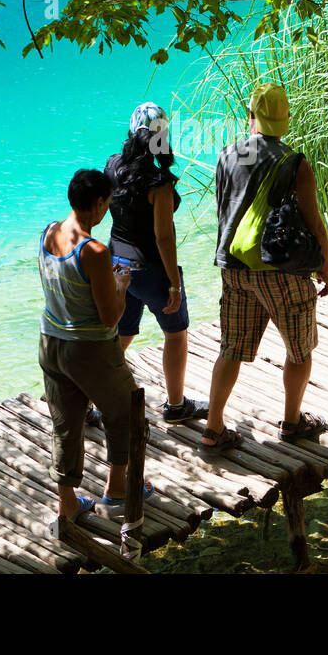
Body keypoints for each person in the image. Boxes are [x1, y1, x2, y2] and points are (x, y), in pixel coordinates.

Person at [201, 82, 328, 454]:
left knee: (231, 349)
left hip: (232, 265)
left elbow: (224, 210)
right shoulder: (295, 163)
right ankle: (292, 422)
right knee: (299, 350)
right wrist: (324, 264)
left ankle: (213, 428)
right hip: (279, 273)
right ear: (286, 117)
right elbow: (313, 220)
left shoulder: (228, 154)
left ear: (251, 115)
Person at [38, 169, 152, 521]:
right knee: (126, 415)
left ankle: (68, 504)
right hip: (89, 350)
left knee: (67, 424)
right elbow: (109, 318)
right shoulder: (95, 250)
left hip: (50, 343)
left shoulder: (47, 232)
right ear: (100, 204)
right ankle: (116, 490)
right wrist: (120, 284)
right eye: (108, 202)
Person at [103, 103, 207, 423]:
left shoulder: (111, 166)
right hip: (150, 269)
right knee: (175, 333)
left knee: (120, 335)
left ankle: (98, 401)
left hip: (117, 266)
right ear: (163, 136)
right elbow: (164, 237)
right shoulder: (159, 182)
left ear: (132, 131)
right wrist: (173, 281)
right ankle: (176, 406)